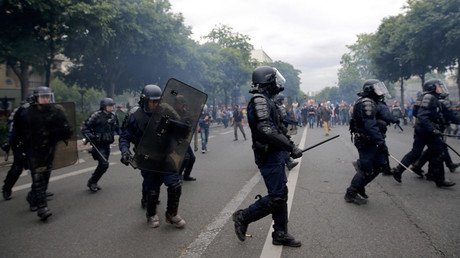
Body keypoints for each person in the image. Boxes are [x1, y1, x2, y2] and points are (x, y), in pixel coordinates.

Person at [232, 66, 303, 247]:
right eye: (274, 78)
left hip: (276, 154)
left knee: (281, 194)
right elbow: (265, 130)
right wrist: (290, 146)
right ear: (267, 81)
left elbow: (278, 129)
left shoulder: (268, 100)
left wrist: (289, 146)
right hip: (268, 155)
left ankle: (280, 233)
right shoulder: (259, 100)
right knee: (277, 197)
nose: (277, 82)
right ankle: (243, 216)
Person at [119, 84, 186, 228]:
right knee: (152, 188)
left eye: (157, 101)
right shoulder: (134, 115)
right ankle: (151, 214)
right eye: (152, 101)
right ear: (144, 101)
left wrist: (181, 132)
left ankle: (172, 214)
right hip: (147, 157)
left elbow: (179, 126)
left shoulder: (166, 110)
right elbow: (124, 137)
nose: (155, 104)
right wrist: (125, 151)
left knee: (175, 184)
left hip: (164, 155)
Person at [14, 86, 73, 220]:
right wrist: (17, 149)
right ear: (36, 98)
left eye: (47, 97)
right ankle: (42, 208)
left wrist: (63, 129)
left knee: (45, 175)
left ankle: (32, 197)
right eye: (43, 97)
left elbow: (66, 130)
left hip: (49, 148)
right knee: (38, 176)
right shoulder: (26, 112)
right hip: (33, 149)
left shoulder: (55, 111)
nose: (46, 99)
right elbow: (17, 132)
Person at [392, 79, 455, 187]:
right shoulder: (430, 97)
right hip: (428, 131)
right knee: (438, 153)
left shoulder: (423, 97)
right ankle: (440, 180)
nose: (440, 88)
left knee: (415, 153)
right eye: (438, 86)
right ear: (432, 87)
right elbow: (422, 116)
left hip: (421, 129)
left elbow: (417, 113)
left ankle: (398, 170)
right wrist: (432, 128)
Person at [345, 79, 392, 204]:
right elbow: (370, 125)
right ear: (370, 90)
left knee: (380, 165)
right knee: (366, 168)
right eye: (377, 88)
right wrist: (380, 141)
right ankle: (351, 193)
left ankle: (359, 187)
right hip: (366, 140)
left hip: (372, 140)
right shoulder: (367, 103)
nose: (380, 91)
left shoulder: (373, 102)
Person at [82, 98, 120, 192]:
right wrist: (91, 137)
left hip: (107, 144)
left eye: (112, 106)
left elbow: (118, 129)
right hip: (98, 144)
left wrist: (125, 136)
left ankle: (92, 181)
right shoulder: (96, 115)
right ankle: (92, 182)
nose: (111, 108)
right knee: (104, 164)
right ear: (104, 106)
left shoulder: (114, 116)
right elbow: (85, 128)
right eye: (109, 106)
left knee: (104, 165)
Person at [1, 96, 36, 200]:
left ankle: (38, 190)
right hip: (19, 143)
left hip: (33, 142)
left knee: (37, 167)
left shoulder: (39, 110)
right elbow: (12, 128)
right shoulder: (20, 111)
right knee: (17, 166)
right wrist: (8, 141)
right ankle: (6, 188)